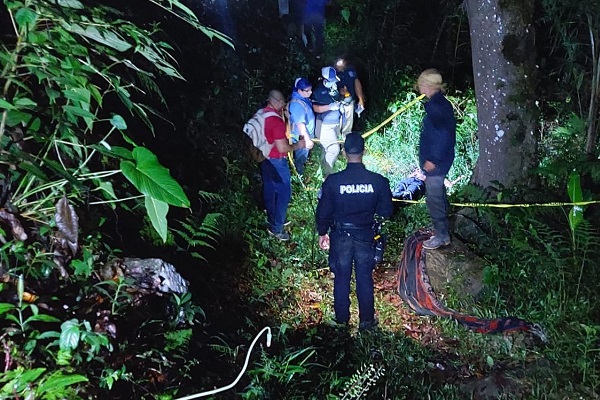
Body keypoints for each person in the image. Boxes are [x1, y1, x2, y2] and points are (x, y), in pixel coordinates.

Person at [315, 132, 393, 330]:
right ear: (364, 151)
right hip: (366, 236)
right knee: (364, 277)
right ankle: (366, 321)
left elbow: (323, 211)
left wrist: (322, 232)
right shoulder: (379, 181)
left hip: (341, 236)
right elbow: (386, 211)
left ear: (344, 153)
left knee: (341, 277)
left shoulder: (333, 182)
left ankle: (342, 320)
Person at [416, 69, 456, 250]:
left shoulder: (437, 107)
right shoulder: (438, 104)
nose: (419, 87)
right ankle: (443, 231)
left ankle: (441, 236)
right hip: (441, 160)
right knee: (438, 196)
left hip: (437, 163)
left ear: (428, 85)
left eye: (421, 83)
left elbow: (443, 135)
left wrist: (432, 159)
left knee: (434, 199)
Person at [262, 90, 306, 241]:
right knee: (284, 193)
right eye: (283, 103)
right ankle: (277, 228)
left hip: (265, 159)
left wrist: (285, 118)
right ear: (278, 101)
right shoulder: (275, 121)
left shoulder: (262, 114)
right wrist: (299, 145)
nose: (284, 105)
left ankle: (272, 219)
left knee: (270, 190)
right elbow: (283, 147)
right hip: (277, 161)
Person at [312, 66, 344, 178]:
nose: (333, 82)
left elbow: (339, 98)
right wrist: (330, 107)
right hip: (325, 125)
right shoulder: (319, 91)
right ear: (325, 80)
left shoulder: (333, 87)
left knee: (328, 150)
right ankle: (327, 176)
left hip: (335, 123)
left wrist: (338, 98)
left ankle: (325, 169)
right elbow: (316, 108)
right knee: (333, 149)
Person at [288, 77, 315, 175]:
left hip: (304, 136)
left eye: (310, 89)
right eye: (307, 91)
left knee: (303, 158)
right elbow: (300, 124)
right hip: (301, 138)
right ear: (299, 90)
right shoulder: (296, 104)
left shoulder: (303, 100)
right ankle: (300, 179)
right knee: (300, 159)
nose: (310, 92)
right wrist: (307, 140)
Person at [334, 57, 366, 135]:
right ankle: (336, 140)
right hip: (336, 103)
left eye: (342, 61)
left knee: (348, 122)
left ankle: (346, 139)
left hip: (350, 101)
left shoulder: (351, 69)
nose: (341, 64)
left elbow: (356, 82)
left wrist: (360, 99)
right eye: (339, 62)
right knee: (337, 123)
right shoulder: (332, 72)